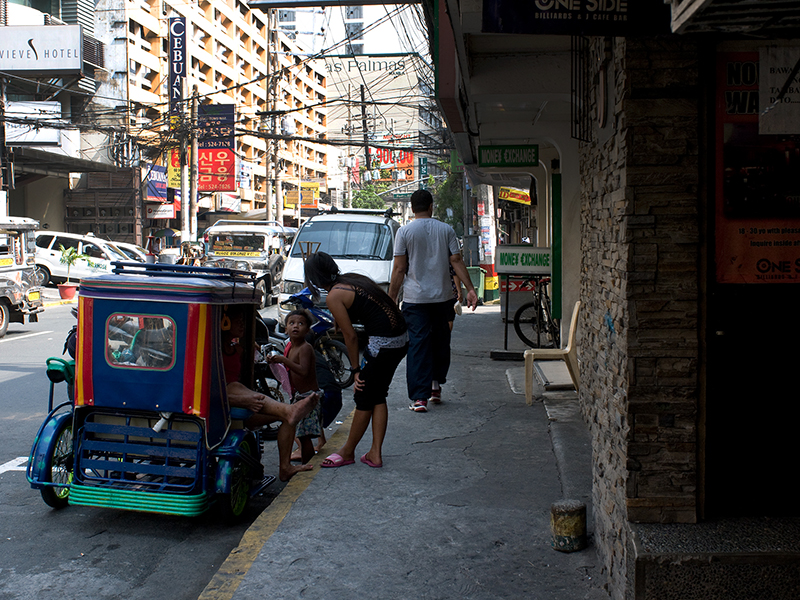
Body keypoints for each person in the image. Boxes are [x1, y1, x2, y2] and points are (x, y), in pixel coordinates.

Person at [304, 252, 407, 469]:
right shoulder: (352, 279)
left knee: (362, 394)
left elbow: (350, 337)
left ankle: (347, 451)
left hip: (383, 344)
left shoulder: (334, 296)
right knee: (377, 394)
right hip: (401, 339)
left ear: (313, 278)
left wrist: (355, 370)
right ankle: (374, 453)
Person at [388, 189, 478, 413]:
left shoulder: (404, 232)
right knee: (440, 341)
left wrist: (391, 299)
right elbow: (456, 260)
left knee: (418, 345)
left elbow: (399, 268)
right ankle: (435, 386)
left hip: (415, 299)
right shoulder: (446, 230)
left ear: (411, 207)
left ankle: (420, 398)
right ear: (431, 206)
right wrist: (470, 288)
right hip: (442, 298)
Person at [221, 304, 318, 481]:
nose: (243, 325)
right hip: (223, 407)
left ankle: (285, 468)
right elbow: (210, 391)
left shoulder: (239, 349)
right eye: (238, 322)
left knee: (288, 419)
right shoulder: (215, 352)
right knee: (239, 389)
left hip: (239, 403)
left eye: (244, 322)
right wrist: (242, 401)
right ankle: (289, 410)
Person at [268, 309, 322, 465]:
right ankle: (307, 463)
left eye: (301, 323)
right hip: (299, 396)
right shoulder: (290, 346)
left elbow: (303, 371)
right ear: (286, 329)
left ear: (307, 330)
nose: (295, 326)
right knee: (301, 434)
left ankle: (308, 466)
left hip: (309, 397)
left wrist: (283, 361)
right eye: (291, 323)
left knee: (304, 436)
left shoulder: (305, 348)